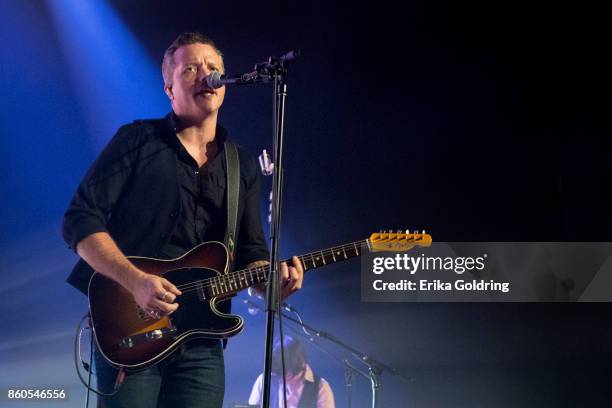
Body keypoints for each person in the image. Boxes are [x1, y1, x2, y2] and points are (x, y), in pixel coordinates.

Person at [62, 32, 304, 408]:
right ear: (169, 89)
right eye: (190, 68)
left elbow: (252, 250)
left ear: (225, 85)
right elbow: (79, 220)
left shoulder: (241, 166)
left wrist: (270, 281)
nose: (204, 74)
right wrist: (136, 281)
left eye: (212, 68)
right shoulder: (137, 140)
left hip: (203, 341)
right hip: (133, 328)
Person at [248, 336, 335, 408]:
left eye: (285, 374)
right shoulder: (264, 379)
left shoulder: (321, 386)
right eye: (278, 375)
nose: (281, 380)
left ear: (299, 364)